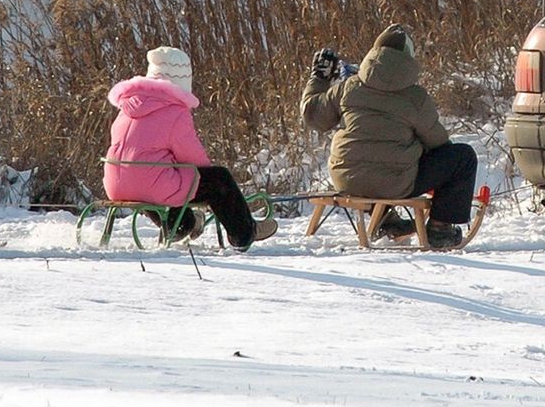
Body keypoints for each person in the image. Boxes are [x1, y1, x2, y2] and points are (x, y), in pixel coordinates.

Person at [301, 24, 478, 249]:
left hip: (346, 179)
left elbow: (314, 116)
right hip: (394, 183)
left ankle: (387, 220)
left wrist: (319, 79)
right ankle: (440, 230)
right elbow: (438, 143)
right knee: (462, 157)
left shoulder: (349, 87)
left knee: (373, 160)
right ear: (408, 61)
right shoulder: (415, 97)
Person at [105, 47, 278, 250]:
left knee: (165, 176)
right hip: (150, 183)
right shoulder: (174, 111)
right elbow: (192, 158)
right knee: (218, 179)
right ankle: (245, 233)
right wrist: (207, 171)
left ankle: (183, 224)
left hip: (116, 184)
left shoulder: (126, 109)